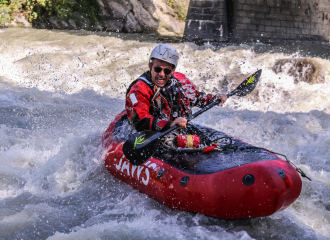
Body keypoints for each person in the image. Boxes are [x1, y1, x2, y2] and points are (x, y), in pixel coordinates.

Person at [125, 44, 227, 132]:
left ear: (173, 70)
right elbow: (140, 120)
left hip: (177, 127)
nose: (161, 74)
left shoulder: (180, 80)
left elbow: (198, 98)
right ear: (150, 65)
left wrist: (213, 99)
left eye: (167, 71)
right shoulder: (138, 89)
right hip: (151, 133)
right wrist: (170, 124)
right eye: (157, 69)